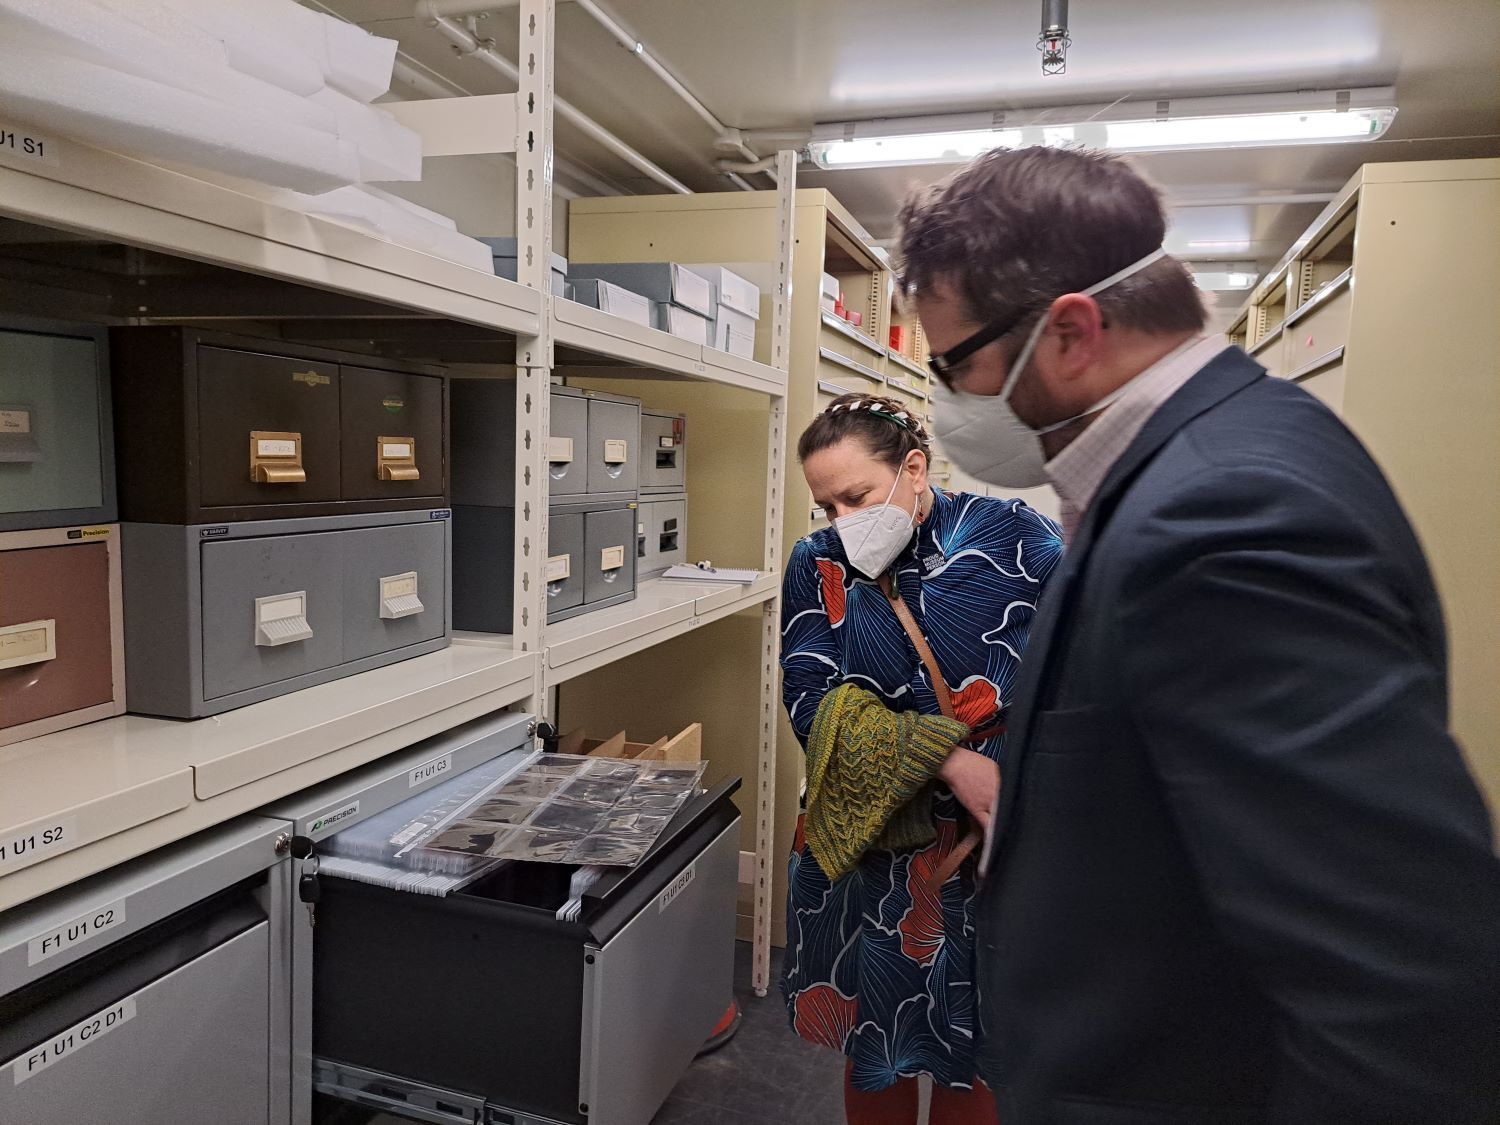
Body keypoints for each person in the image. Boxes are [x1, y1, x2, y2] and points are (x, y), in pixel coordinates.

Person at [897, 145, 1500, 1124]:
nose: (947, 399)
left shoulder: (1227, 515)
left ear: (1075, 330)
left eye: (956, 362)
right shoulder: (1210, 455)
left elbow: (1399, 988)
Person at [778, 391, 1063, 1124]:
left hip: (992, 843)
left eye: (856, 496)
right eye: (825, 505)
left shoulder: (1018, 540)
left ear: (913, 466)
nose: (842, 522)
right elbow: (810, 701)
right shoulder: (815, 564)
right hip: (871, 842)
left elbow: (1080, 672)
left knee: (982, 1048)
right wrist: (945, 756)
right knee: (878, 1046)